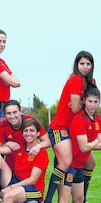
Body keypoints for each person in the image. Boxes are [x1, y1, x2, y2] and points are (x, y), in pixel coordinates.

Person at [45, 50, 95, 203]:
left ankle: (83, 196)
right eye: (82, 64)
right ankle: (47, 199)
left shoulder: (92, 82)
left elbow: (90, 105)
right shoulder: (75, 80)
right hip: (60, 128)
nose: (85, 67)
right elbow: (75, 107)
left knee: (90, 162)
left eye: (88, 64)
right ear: (76, 65)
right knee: (65, 162)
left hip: (73, 129)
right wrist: (81, 105)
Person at [0, 100, 51, 192]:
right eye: (8, 113)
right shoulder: (3, 125)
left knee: (15, 193)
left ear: (20, 111)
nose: (12, 116)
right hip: (12, 165)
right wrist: (3, 148)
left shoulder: (30, 121)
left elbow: (47, 142)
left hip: (28, 165)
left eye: (15, 112)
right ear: (5, 115)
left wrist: (38, 146)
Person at [0, 118, 49, 203]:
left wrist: (11, 188)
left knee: (8, 196)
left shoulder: (42, 153)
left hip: (33, 188)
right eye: (26, 131)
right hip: (16, 180)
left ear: (38, 133)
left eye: (32, 131)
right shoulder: (19, 147)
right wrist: (0, 151)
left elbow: (33, 180)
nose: (28, 133)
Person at [69, 85, 101, 203]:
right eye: (90, 101)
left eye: (96, 102)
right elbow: (83, 147)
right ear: (84, 101)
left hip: (80, 163)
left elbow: (96, 144)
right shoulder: (79, 119)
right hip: (70, 163)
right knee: (66, 199)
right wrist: (96, 142)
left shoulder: (98, 119)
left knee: (79, 199)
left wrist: (91, 144)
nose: (92, 105)